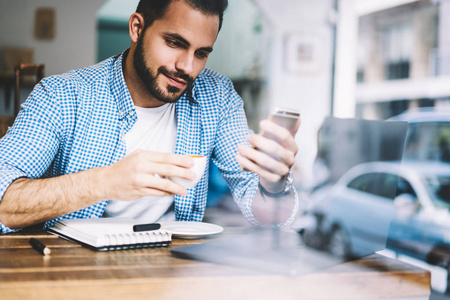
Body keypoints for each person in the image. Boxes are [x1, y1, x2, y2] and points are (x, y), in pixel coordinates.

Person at [0, 0, 301, 234]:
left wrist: (273, 185)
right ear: (136, 28)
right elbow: (3, 199)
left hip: (171, 272)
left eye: (201, 53)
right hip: (70, 272)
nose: (187, 67)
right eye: (175, 43)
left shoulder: (217, 97)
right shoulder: (63, 95)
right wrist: (105, 181)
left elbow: (267, 217)